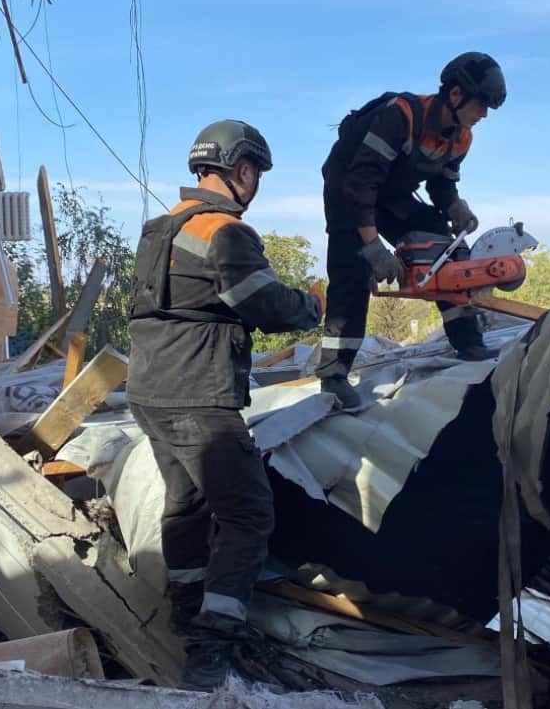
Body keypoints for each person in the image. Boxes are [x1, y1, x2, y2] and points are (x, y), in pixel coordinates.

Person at [125, 120, 323, 689]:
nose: (254, 182)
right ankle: (212, 646)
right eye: (255, 173)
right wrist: (310, 306)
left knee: (185, 506)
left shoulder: (159, 228)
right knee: (248, 514)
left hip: (149, 392)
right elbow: (262, 304)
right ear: (242, 170)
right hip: (199, 397)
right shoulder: (226, 231)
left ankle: (186, 609)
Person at [315, 52, 507, 408]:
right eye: (480, 105)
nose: (483, 115)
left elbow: (442, 185)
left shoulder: (461, 138)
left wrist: (454, 206)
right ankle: (334, 374)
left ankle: (468, 342)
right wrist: (373, 247)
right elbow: (361, 184)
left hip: (392, 193)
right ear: (455, 95)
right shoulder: (400, 117)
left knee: (441, 245)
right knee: (352, 270)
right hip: (348, 188)